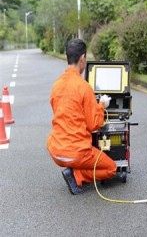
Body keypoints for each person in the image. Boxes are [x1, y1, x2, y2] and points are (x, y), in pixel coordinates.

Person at [47, 38, 116, 195]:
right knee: (111, 168)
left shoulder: (56, 84)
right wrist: (101, 106)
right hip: (76, 152)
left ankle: (74, 169)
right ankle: (76, 175)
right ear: (83, 58)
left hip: (55, 150)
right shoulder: (84, 87)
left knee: (79, 154)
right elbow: (93, 124)